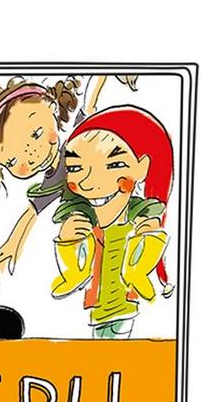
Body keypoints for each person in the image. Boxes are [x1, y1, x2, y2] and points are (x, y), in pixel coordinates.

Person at [0, 75, 137, 274]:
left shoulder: (77, 141)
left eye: (36, 134)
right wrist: (12, 245)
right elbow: (31, 212)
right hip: (97, 230)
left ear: (52, 109)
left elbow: (90, 101)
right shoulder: (51, 181)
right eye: (12, 162)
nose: (31, 157)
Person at [49, 106, 173, 338]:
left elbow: (145, 250)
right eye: (75, 168)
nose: (88, 182)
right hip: (97, 308)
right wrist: (67, 241)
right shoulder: (83, 218)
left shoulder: (139, 216)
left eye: (113, 165)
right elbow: (78, 270)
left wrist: (149, 235)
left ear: (142, 167)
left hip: (124, 305)